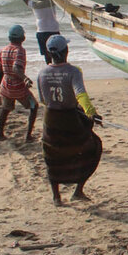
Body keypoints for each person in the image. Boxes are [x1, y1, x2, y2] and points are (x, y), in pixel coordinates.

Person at [36, 35, 102, 205]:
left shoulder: (42, 73)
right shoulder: (73, 71)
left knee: (52, 155)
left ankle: (56, 197)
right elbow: (80, 93)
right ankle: (78, 190)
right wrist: (90, 112)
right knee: (93, 146)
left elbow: (43, 99)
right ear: (66, 51)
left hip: (50, 119)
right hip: (69, 119)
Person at [0, 25, 38, 142]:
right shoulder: (19, 50)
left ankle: (0, 133)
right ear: (22, 38)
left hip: (5, 84)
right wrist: (25, 78)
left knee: (5, 109)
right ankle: (28, 136)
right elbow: (16, 68)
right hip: (17, 86)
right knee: (34, 106)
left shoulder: (4, 49)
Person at [21, 0, 61, 64]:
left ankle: (49, 66)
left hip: (42, 31)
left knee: (46, 54)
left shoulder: (35, 5)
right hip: (54, 29)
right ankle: (58, 65)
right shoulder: (52, 2)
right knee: (57, 51)